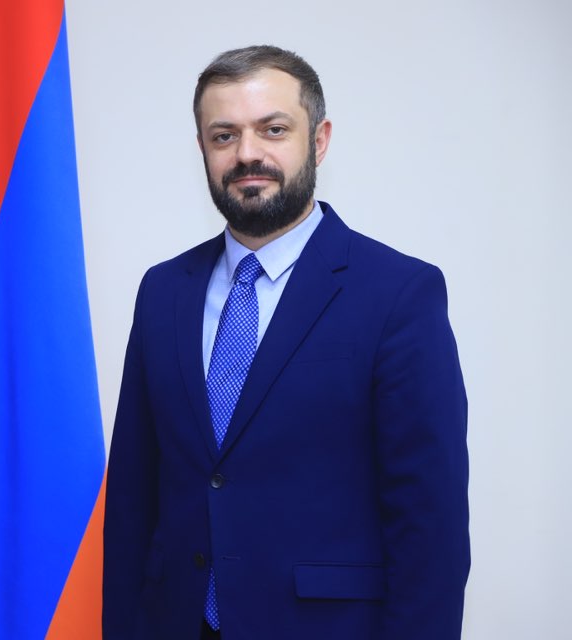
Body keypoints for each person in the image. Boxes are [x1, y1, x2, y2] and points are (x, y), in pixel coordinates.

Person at [102, 45, 470, 640]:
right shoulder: (163, 290)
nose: (247, 153)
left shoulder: (399, 294)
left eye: (273, 130)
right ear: (202, 148)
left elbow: (430, 527)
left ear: (318, 140)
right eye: (224, 135)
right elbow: (131, 500)